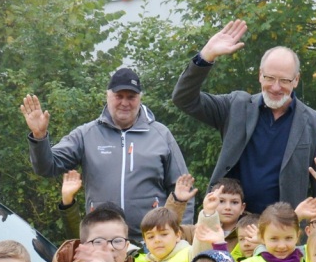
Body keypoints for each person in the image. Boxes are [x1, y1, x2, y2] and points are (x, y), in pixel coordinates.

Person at [172, 19, 316, 212]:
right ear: (259, 75)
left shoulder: (315, 123)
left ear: (296, 80)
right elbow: (184, 99)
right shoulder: (236, 106)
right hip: (231, 225)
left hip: (282, 230)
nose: (275, 87)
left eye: (284, 80)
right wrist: (206, 56)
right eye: (269, 78)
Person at [26, 67, 197, 234]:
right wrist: (39, 137)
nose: (125, 103)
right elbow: (46, 167)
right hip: (102, 241)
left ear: (140, 99)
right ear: (107, 96)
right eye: (118, 96)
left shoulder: (161, 134)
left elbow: (182, 188)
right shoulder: (86, 134)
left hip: (152, 241)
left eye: (131, 97)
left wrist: (181, 234)